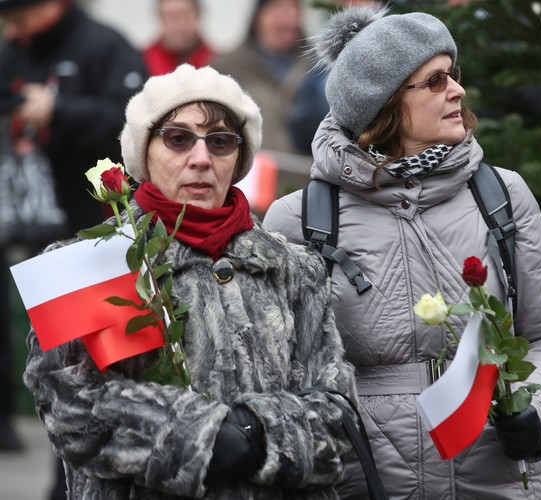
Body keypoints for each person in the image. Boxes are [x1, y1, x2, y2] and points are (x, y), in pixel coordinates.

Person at [263, 6, 541, 499]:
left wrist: (536, 407)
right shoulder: (301, 217)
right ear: (382, 106)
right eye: (434, 82)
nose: (457, 90)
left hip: (496, 476)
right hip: (363, 480)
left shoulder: (502, 194)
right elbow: (279, 375)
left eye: (454, 75)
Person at [23, 64, 358, 499]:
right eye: (178, 139)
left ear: (238, 158)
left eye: (220, 141)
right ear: (145, 151)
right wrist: (204, 438)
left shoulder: (295, 269)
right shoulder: (85, 266)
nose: (201, 159)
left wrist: (256, 434)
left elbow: (337, 415)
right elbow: (70, 412)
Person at [0, 0, 146, 460]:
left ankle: (103, 464)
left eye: (21, 17)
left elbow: (135, 121)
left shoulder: (104, 45)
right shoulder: (15, 49)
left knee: (100, 363)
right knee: (50, 370)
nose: (13, 29)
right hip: (22, 220)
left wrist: (60, 112)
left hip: (90, 233)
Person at [212, 0, 322, 155]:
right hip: (249, 170)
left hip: (308, 169)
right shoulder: (228, 67)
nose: (288, 20)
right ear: (258, 18)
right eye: (278, 11)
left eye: (294, 10)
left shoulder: (318, 64)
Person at [143, 0, 215, 76]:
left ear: (198, 17)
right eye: (170, 16)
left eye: (185, 15)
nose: (178, 26)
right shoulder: (141, 64)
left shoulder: (217, 64)